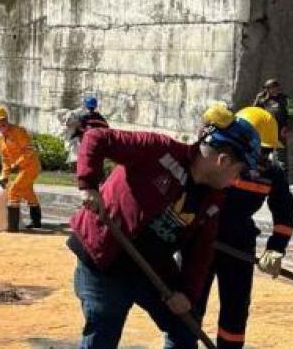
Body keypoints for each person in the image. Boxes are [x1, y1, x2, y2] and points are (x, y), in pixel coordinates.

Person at [69, 103, 260, 349]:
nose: (237, 180)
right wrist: (88, 185)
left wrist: (186, 294)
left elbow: (200, 251)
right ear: (222, 161)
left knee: (184, 328)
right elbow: (96, 138)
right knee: (104, 327)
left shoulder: (212, 199)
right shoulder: (159, 151)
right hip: (104, 255)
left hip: (150, 265)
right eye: (239, 171)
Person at [195, 107, 293, 349]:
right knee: (189, 306)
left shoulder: (272, 173)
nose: (262, 157)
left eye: (268, 152)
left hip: (239, 246)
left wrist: (275, 249)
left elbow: (284, 214)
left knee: (235, 311)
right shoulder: (213, 160)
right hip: (200, 242)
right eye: (261, 150)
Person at [0, 106, 42, 231]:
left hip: (30, 166)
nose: (1, 123)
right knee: (28, 193)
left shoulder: (19, 132)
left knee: (14, 190)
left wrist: (17, 164)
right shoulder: (1, 141)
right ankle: (36, 222)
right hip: (21, 169)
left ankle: (13, 227)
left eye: (2, 120)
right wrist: (4, 176)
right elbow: (5, 162)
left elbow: (29, 151)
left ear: (7, 119)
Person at [253, 79, 293, 170]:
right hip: (266, 130)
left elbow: (292, 114)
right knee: (263, 154)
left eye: (274, 88)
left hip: (280, 130)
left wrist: (289, 127)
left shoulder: (286, 99)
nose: (272, 90)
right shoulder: (261, 98)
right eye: (268, 88)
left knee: (281, 157)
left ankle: (283, 176)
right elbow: (255, 111)